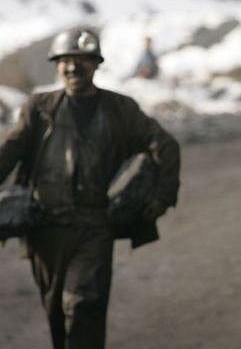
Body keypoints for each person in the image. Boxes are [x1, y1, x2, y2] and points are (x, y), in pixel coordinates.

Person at [0, 27, 180, 349]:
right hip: (45, 230)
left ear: (96, 64)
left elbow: (164, 145)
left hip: (94, 228)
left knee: (83, 304)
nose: (72, 68)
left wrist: (162, 196)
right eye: (65, 61)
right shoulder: (38, 108)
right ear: (56, 65)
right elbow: (8, 152)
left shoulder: (120, 109)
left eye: (81, 61)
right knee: (56, 313)